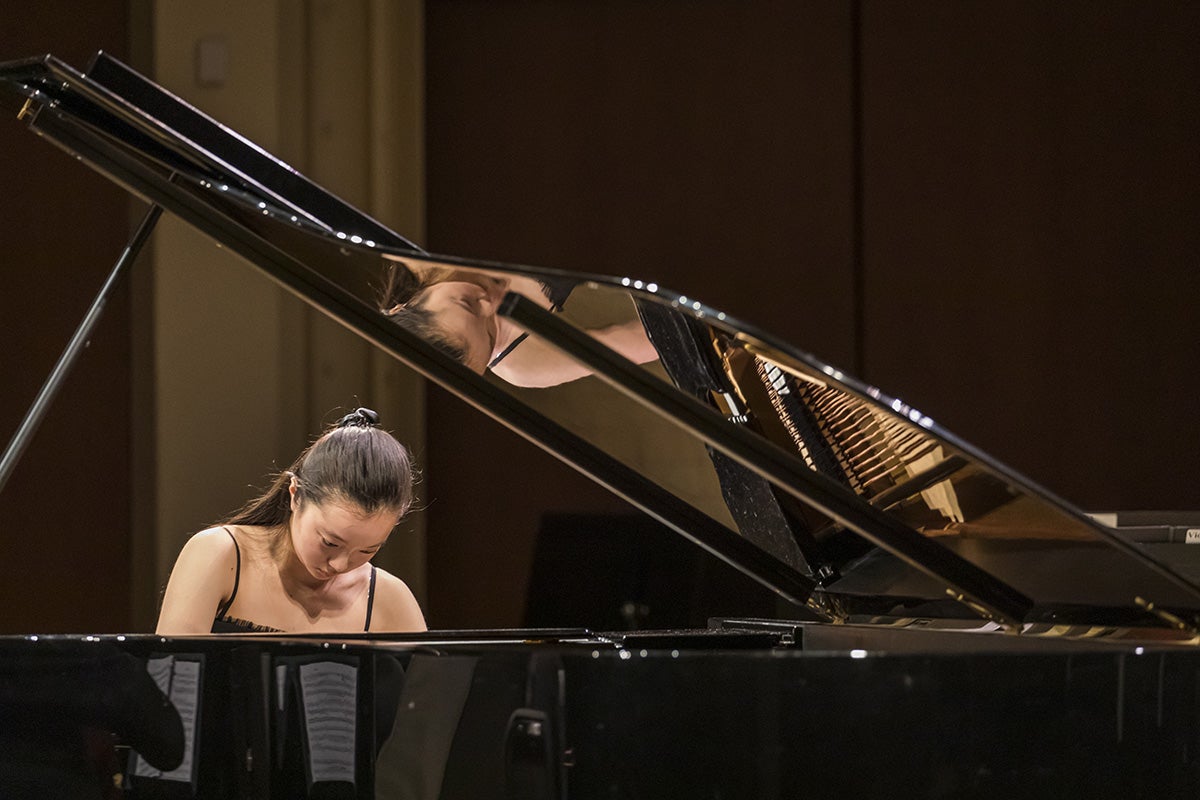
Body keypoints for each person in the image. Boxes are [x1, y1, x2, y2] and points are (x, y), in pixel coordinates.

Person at [156, 408, 426, 634]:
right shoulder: (220, 554)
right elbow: (172, 674)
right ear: (295, 495)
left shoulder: (389, 598)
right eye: (330, 543)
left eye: (367, 550)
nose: (341, 565)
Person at [381, 256, 658, 388]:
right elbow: (636, 344)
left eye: (467, 303)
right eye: (492, 335)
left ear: (404, 304)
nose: (490, 305)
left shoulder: (415, 249)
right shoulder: (522, 364)